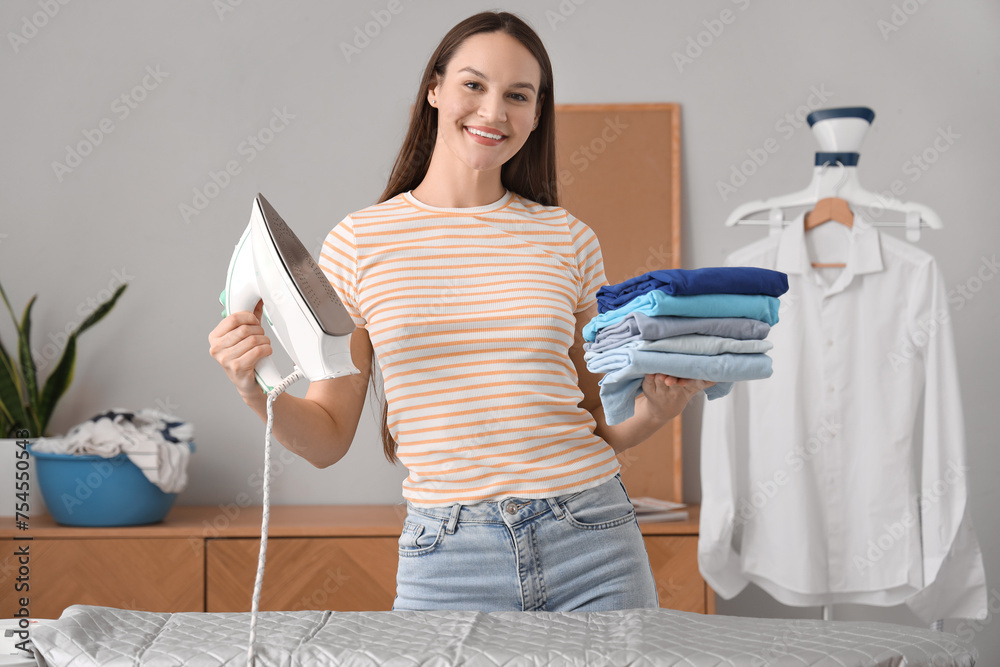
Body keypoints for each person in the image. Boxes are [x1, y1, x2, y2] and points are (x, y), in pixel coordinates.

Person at [208, 10, 713, 613]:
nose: (494, 111)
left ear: (535, 113)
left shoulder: (567, 238)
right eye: (473, 84)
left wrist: (657, 410)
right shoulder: (359, 243)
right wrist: (251, 386)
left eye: (517, 95)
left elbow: (598, 421)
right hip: (448, 556)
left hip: (593, 538)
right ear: (434, 89)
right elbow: (327, 439)